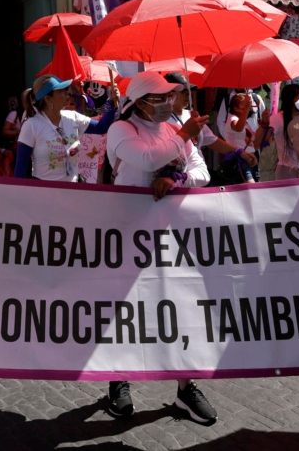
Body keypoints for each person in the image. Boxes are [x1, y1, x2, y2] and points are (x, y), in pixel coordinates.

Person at [104, 71, 216, 424]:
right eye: (161, 98)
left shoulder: (175, 129)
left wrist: (179, 176)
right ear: (138, 103)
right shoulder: (121, 130)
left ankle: (186, 389)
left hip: (173, 237)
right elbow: (148, 160)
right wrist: (184, 136)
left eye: (172, 97)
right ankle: (117, 379)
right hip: (129, 233)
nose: (170, 103)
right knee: (126, 311)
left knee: (181, 308)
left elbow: (201, 171)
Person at [15, 74, 118, 182]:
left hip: (72, 191)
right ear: (47, 98)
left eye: (66, 89)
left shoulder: (72, 117)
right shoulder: (31, 125)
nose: (67, 93)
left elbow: (101, 127)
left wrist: (111, 101)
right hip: (44, 193)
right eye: (61, 91)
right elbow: (21, 167)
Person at [266, 84, 299, 180]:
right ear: (290, 99)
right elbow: (265, 140)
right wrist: (265, 124)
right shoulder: (278, 119)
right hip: (287, 171)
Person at [220, 91, 260, 183]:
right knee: (251, 188)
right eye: (243, 108)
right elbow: (238, 128)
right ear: (235, 109)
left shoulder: (245, 123)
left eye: (248, 108)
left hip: (248, 160)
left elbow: (254, 141)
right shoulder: (232, 118)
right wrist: (247, 108)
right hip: (240, 161)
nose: (247, 110)